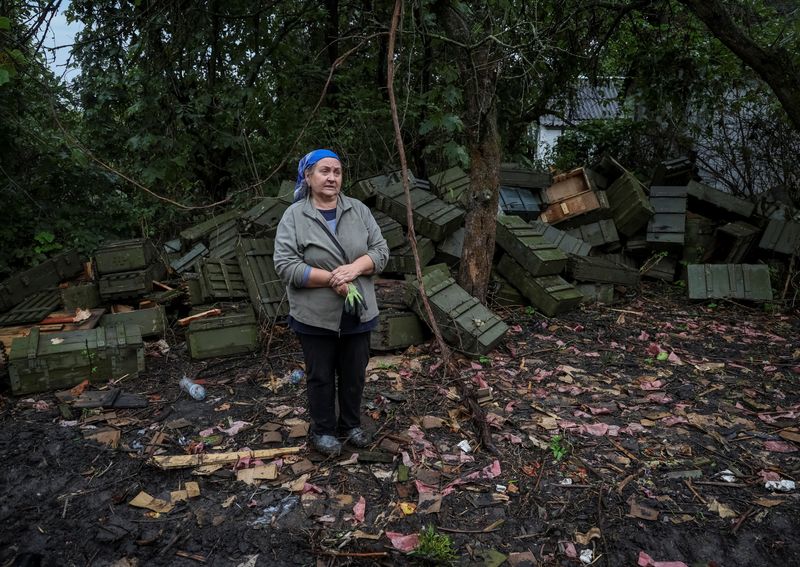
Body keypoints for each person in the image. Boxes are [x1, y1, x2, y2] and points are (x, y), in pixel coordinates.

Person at [274, 149, 389, 456]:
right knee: (320, 374)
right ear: (308, 177)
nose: (332, 177)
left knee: (354, 373)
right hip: (315, 314)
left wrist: (356, 268)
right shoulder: (295, 216)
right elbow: (285, 265)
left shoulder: (358, 210)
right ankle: (322, 430)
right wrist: (331, 279)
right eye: (324, 171)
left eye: (337, 172)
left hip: (357, 309)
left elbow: (380, 251)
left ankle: (350, 425)